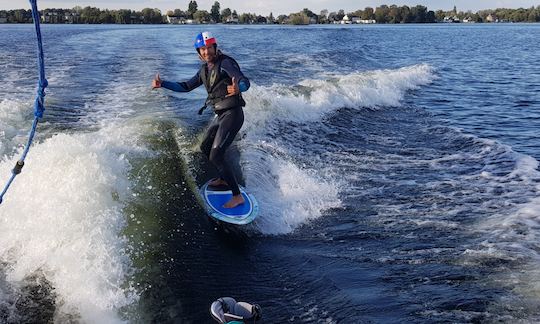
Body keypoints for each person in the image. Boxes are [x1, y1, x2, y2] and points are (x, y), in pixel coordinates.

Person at [152, 31, 250, 208]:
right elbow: (186, 87)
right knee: (206, 147)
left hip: (233, 114)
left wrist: (238, 88)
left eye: (209, 48)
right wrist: (163, 84)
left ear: (215, 47)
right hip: (221, 115)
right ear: (199, 52)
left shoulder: (226, 63)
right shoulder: (204, 70)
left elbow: (244, 80)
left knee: (216, 153)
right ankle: (223, 179)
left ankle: (237, 196)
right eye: (202, 49)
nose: (206, 52)